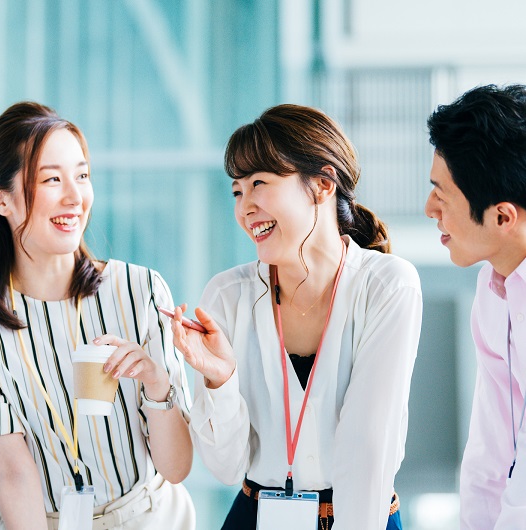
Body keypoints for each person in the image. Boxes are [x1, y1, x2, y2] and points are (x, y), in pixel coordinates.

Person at [170, 104, 422, 529]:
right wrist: (221, 380)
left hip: (361, 516)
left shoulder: (386, 286)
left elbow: (368, 445)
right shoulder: (227, 296)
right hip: (255, 515)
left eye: (259, 184)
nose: (245, 207)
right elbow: (226, 467)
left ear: (322, 184)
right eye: (237, 190)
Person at [0, 101, 195, 530]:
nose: (75, 197)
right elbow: (12, 472)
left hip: (149, 517)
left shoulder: (139, 290)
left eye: (81, 176)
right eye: (51, 180)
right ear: (1, 199)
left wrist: (156, 383)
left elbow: (175, 469)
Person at [425, 84, 526, 529]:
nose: (429, 209)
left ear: (502, 217)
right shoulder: (493, 288)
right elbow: (491, 447)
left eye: (442, 197)